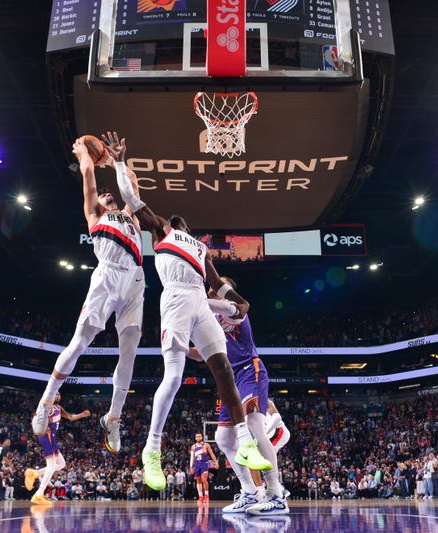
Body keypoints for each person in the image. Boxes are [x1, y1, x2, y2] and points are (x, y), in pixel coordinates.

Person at [100, 132, 271, 492]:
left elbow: (219, 287)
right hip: (175, 299)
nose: (185, 226)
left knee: (222, 366)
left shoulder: (202, 249)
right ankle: (152, 448)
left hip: (197, 298)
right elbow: (132, 198)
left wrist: (237, 301)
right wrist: (118, 161)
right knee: (175, 377)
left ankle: (246, 442)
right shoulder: (162, 229)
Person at [32, 136, 145, 455]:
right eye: (105, 194)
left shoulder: (131, 216)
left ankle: (113, 418)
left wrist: (116, 160)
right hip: (107, 276)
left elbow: (132, 185)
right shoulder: (96, 216)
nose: (108, 193)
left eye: (113, 192)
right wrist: (86, 156)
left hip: (136, 278)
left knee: (130, 353)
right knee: (79, 343)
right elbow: (89, 179)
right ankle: (46, 399)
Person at [191, 279, 288, 515]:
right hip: (229, 380)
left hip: (249, 370)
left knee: (254, 425)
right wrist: (177, 346)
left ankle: (276, 495)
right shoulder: (210, 320)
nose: (214, 287)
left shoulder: (235, 308)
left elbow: (210, 303)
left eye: (220, 285)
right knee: (223, 437)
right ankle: (251, 492)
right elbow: (201, 354)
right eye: (213, 284)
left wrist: (188, 298)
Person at [26, 393, 91, 506]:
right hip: (47, 436)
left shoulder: (58, 408)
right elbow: (37, 420)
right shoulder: (48, 407)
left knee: (61, 464)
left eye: (59, 394)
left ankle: (35, 473)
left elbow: (70, 417)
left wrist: (82, 415)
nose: (57, 395)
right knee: (51, 466)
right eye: (55, 394)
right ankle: (39, 494)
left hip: (53, 438)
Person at [190, 433, 218, 503]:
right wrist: (191, 466)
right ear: (195, 438)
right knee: (198, 481)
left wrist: (215, 462)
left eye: (199, 436)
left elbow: (211, 453)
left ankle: (206, 495)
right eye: (196, 436)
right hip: (197, 464)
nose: (198, 437)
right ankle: (200, 496)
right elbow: (192, 457)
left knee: (204, 479)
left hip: (204, 464)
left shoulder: (206, 445)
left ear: (202, 437)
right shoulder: (193, 447)